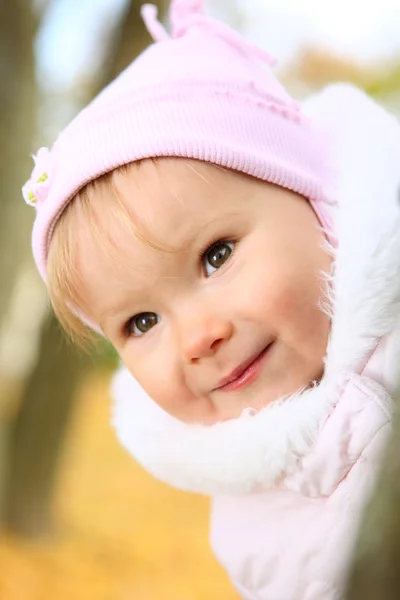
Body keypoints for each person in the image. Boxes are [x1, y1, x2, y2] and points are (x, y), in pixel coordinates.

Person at [22, 0, 400, 598]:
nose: (200, 336)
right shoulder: (250, 529)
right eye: (142, 321)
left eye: (216, 256)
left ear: (316, 201)